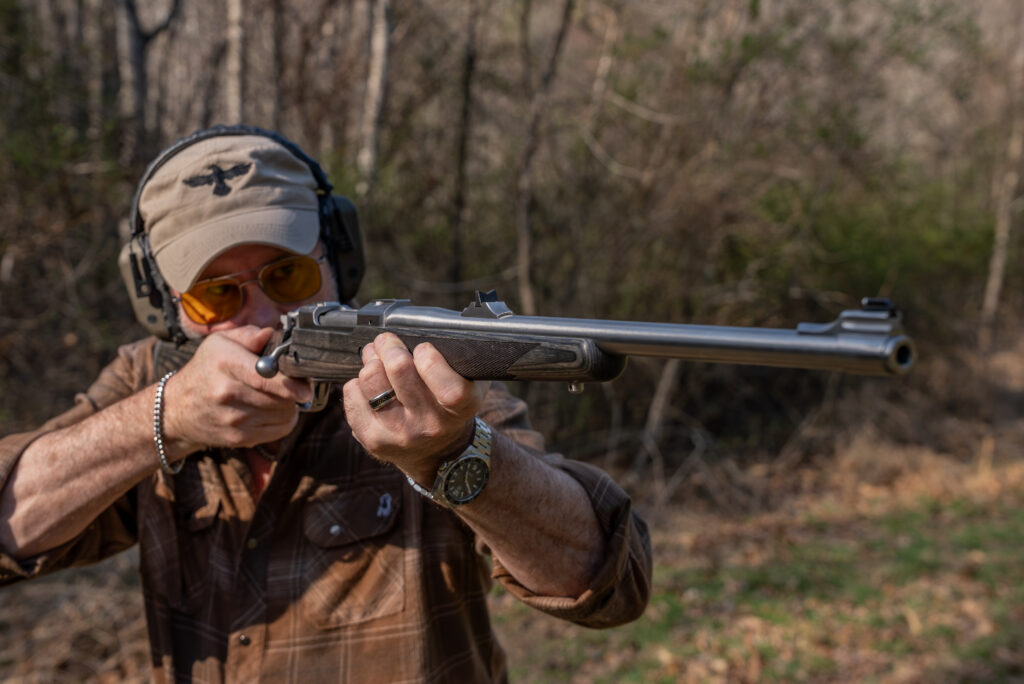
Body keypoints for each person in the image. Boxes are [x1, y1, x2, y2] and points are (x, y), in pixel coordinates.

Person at [0, 125, 651, 682]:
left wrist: (453, 453)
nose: (261, 318)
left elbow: (605, 584)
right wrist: (161, 419)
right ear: (166, 308)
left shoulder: (412, 372)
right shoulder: (151, 381)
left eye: (288, 276)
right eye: (215, 296)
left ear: (337, 259)